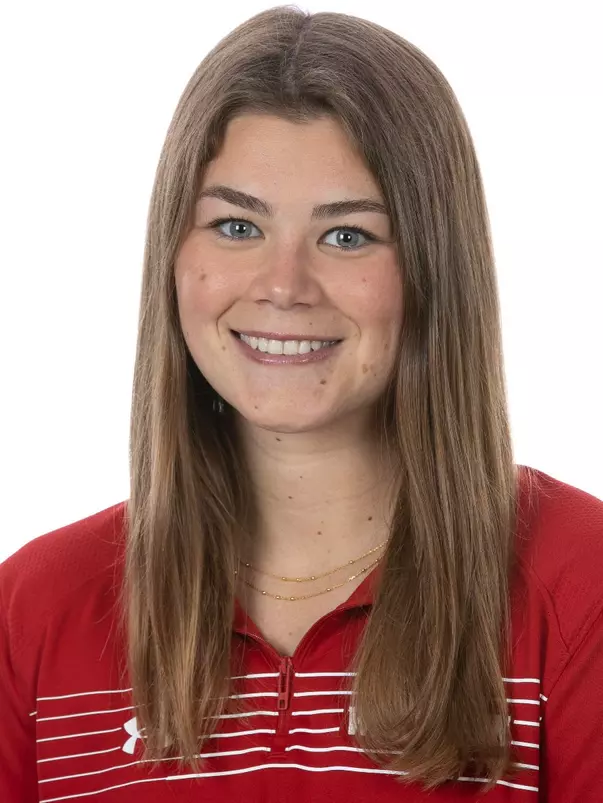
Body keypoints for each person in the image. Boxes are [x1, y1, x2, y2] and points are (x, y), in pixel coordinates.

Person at [1, 6, 602, 802]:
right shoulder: (33, 607)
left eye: (347, 235)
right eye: (236, 224)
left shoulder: (580, 583)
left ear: (434, 268)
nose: (282, 285)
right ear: (173, 259)